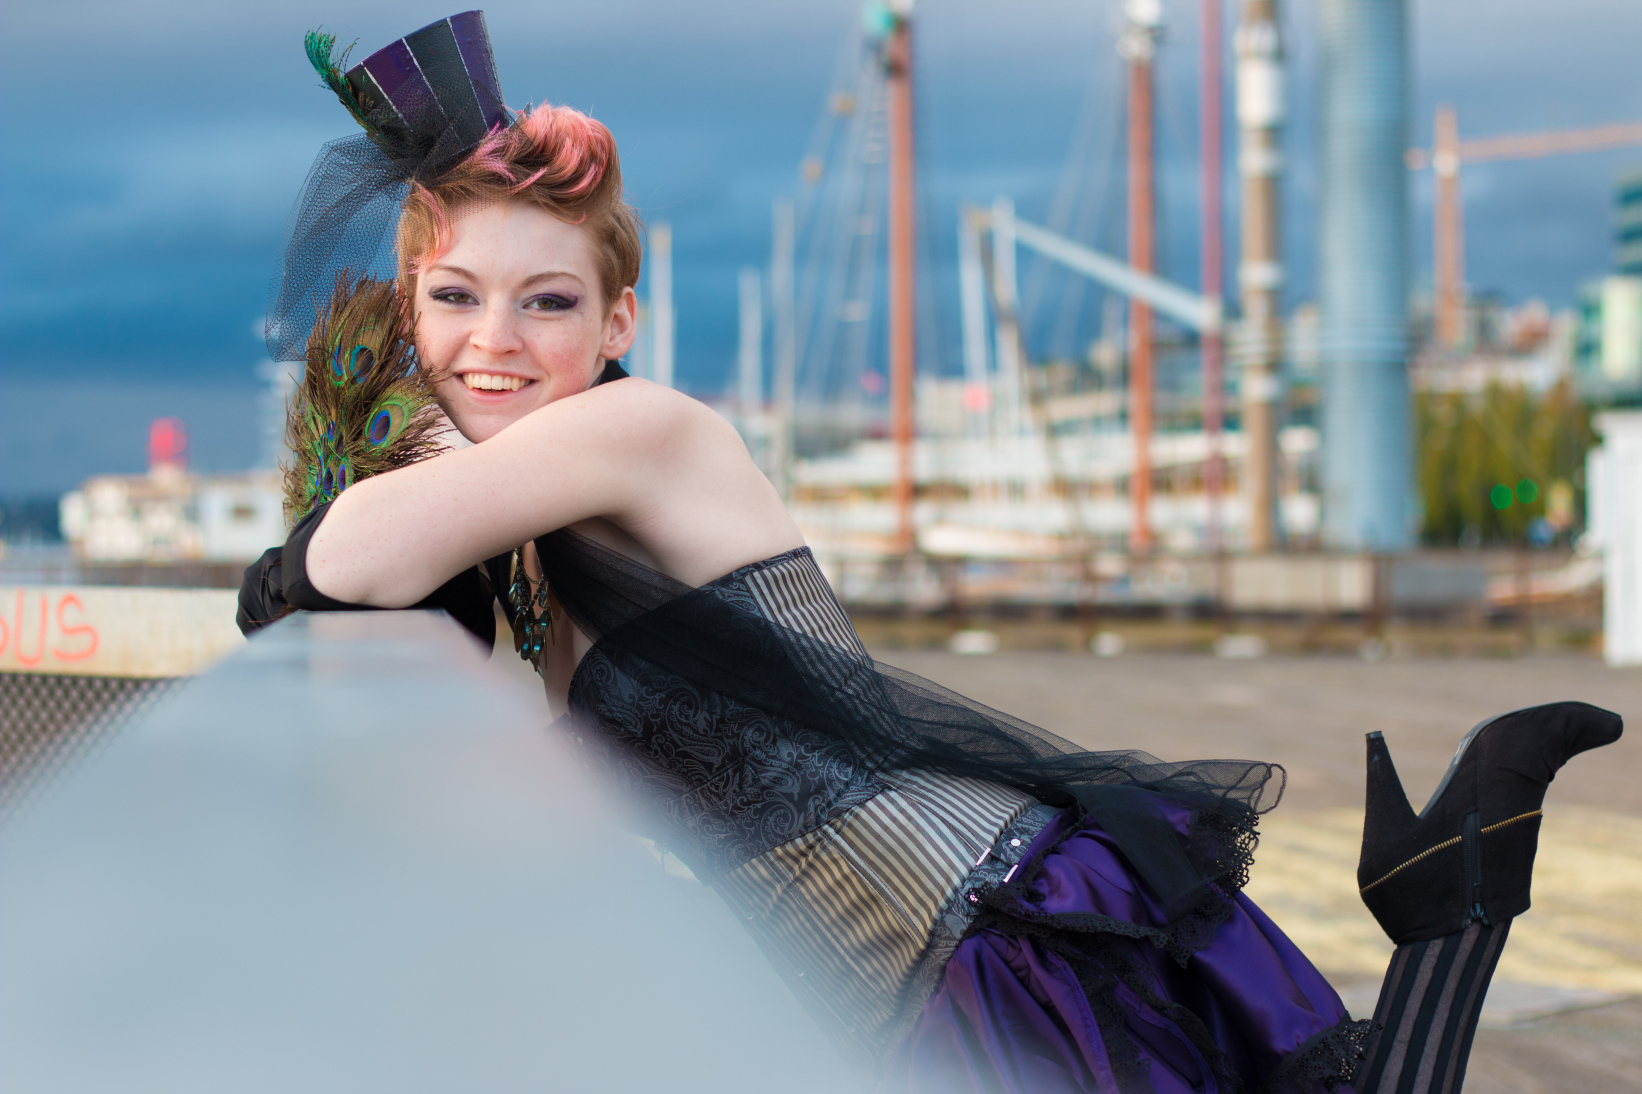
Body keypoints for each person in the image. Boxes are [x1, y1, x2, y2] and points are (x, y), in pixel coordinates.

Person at [240, 14, 1623, 1093]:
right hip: (883, 985)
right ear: (409, 305)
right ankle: (1451, 888)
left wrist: (409, 441)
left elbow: (351, 556)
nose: (495, 339)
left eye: (547, 301)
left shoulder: (637, 431)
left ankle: (1459, 889)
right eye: (454, 297)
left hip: (979, 932)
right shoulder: (538, 537)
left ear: (617, 324)